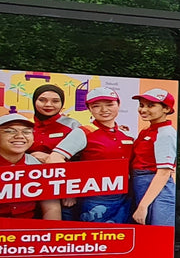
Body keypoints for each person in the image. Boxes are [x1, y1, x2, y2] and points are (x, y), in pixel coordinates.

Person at [28, 83, 86, 220]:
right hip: (31, 186)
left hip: (63, 189)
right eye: (42, 100)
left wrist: (71, 191)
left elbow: (82, 159)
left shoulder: (73, 125)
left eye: (55, 101)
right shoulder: (25, 126)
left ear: (62, 104)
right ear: (34, 100)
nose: (48, 104)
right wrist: (32, 155)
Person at [75, 87, 133, 223]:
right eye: (96, 106)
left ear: (118, 105)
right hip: (95, 196)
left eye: (109, 104)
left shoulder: (127, 134)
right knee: (95, 237)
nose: (104, 110)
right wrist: (68, 191)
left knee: (121, 237)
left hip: (125, 195)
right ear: (89, 108)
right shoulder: (83, 132)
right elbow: (57, 157)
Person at [130, 88, 177, 227]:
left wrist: (143, 207)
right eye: (141, 105)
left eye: (151, 105)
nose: (143, 110)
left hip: (155, 188)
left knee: (158, 234)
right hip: (142, 184)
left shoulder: (166, 133)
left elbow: (163, 173)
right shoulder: (147, 131)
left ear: (166, 109)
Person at [0, 113, 46, 221]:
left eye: (26, 132)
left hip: (27, 231)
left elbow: (51, 208)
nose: (20, 136)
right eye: (10, 131)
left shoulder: (38, 166)